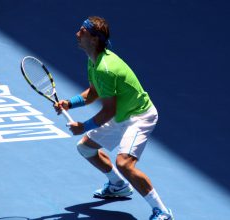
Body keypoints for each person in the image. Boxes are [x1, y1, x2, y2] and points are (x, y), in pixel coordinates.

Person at [54, 16, 174, 220]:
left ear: (93, 39)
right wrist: (70, 103)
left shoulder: (105, 68)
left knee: (124, 163)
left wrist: (83, 126)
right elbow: (93, 93)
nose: (77, 33)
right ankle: (118, 185)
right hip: (121, 113)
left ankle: (162, 211)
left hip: (139, 116)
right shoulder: (94, 61)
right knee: (85, 148)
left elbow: (108, 111)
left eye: (82, 30)